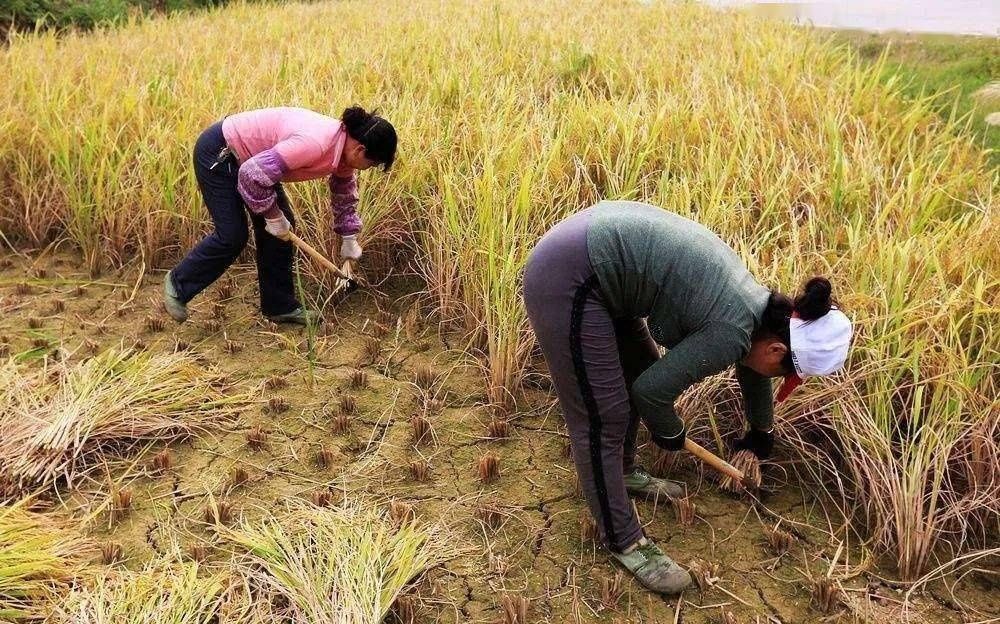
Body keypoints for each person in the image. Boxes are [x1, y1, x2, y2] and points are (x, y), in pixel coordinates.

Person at [522, 201, 852, 595]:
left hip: (598, 263)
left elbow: (752, 368)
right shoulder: (734, 330)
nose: (775, 378)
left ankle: (622, 473)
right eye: (784, 376)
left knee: (641, 366)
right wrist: (670, 432)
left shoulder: (757, 310)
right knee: (602, 416)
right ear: (777, 351)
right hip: (569, 276)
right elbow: (651, 394)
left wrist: (761, 430)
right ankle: (624, 540)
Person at [163, 106, 397, 324]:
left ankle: (279, 306)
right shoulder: (315, 143)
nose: (369, 168)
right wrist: (273, 217)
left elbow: (343, 192)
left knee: (283, 231)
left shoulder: (346, 150)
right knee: (232, 234)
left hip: (258, 164)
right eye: (373, 163)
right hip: (221, 154)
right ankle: (178, 284)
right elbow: (251, 174)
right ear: (361, 150)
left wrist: (349, 236)